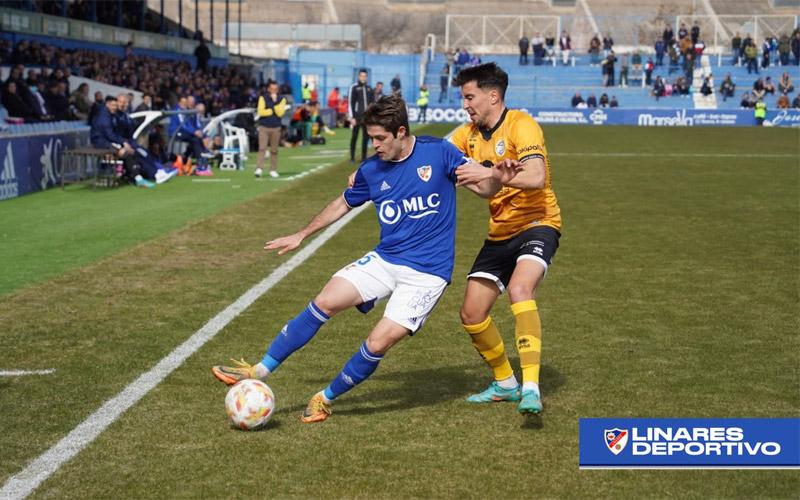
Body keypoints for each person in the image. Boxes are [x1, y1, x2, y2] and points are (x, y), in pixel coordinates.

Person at [211, 95, 515, 423]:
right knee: (326, 299)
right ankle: (258, 370)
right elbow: (342, 203)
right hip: (386, 259)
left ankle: (323, 399)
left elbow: (483, 189)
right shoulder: (371, 170)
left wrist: (497, 177)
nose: (375, 145)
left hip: (427, 274)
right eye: (371, 138)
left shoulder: (439, 152)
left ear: (401, 132)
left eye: (380, 138)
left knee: (378, 340)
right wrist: (302, 233)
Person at [450, 62, 561, 414]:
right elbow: (482, 188)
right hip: (500, 232)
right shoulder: (465, 135)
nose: (466, 105)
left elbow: (537, 176)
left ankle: (531, 387)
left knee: (519, 289)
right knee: (471, 313)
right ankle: (505, 383)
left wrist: (495, 173)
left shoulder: (521, 125)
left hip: (538, 222)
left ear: (493, 96)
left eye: (470, 97)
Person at [90, 95, 175, 187]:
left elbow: (121, 132)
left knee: (141, 152)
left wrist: (126, 142)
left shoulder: (116, 115)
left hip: (114, 141)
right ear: (108, 105)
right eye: (114, 105)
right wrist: (123, 143)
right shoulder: (105, 116)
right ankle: (147, 176)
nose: (116, 107)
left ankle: (154, 173)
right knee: (130, 152)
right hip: (103, 142)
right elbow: (109, 134)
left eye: (126, 103)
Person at [255, 80, 288, 178]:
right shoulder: (263, 98)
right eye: (272, 89)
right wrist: (273, 109)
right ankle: (259, 168)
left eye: (276, 89)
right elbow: (261, 112)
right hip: (264, 126)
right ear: (269, 89)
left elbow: (280, 113)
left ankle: (273, 169)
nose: (274, 91)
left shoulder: (282, 99)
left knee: (274, 150)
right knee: (262, 148)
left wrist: (272, 105)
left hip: (276, 127)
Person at [348, 68, 375, 163]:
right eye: (361, 76)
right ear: (359, 76)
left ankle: (364, 158)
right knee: (354, 137)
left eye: (365, 76)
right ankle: (352, 158)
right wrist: (352, 117)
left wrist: (371, 116)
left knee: (365, 138)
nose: (363, 77)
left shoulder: (369, 88)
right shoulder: (354, 87)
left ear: (367, 77)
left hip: (366, 118)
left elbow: (372, 103)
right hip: (356, 117)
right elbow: (351, 102)